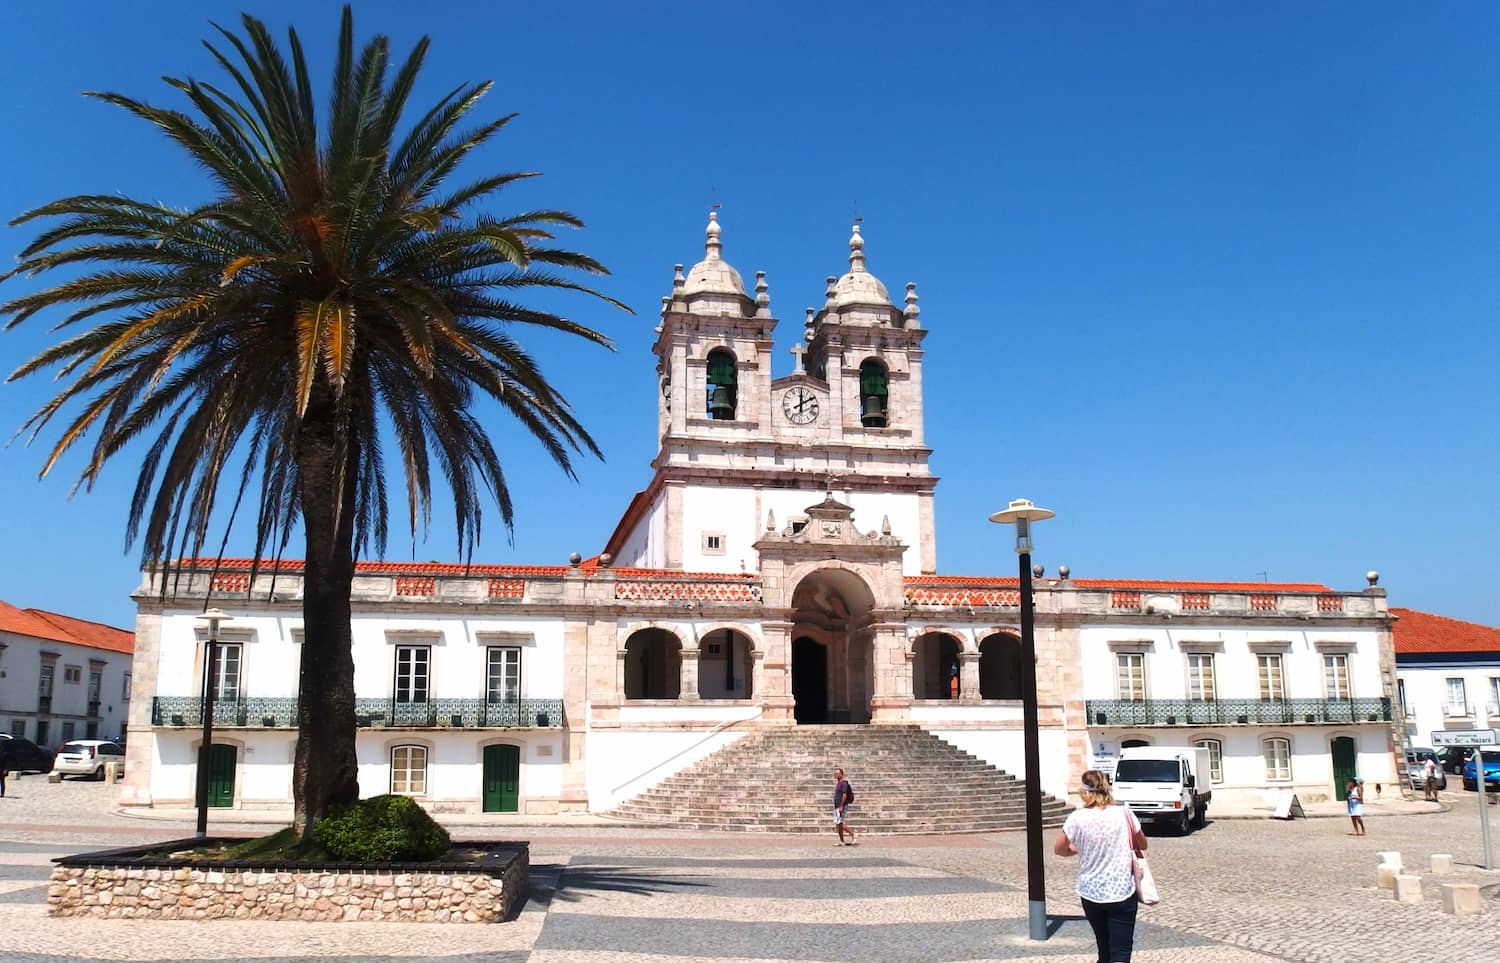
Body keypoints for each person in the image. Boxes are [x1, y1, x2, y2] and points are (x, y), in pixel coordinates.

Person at [1054, 769, 1146, 963]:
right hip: (1122, 889)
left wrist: (1076, 849)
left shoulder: (1077, 818)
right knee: (1121, 949)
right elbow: (1142, 844)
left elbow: (1060, 849)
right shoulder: (1125, 814)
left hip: (1091, 891)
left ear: (1084, 791)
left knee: (1103, 944)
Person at [832, 767, 855, 846]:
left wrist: (841, 805)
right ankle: (842, 841)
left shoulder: (844, 783)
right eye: (835, 773)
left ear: (842, 774)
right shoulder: (838, 783)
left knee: (840, 823)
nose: (836, 774)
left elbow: (844, 795)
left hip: (842, 806)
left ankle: (853, 834)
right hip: (837, 806)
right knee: (837, 824)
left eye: (837, 773)